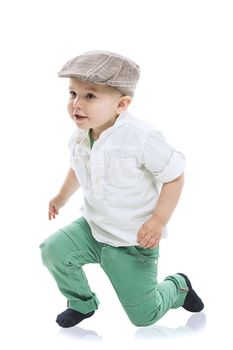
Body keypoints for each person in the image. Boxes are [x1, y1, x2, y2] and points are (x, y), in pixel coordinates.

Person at [40, 50, 204, 328]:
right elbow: (80, 168)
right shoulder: (81, 135)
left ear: (122, 104)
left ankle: (178, 287)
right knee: (52, 249)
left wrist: (158, 221)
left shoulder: (141, 138)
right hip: (93, 229)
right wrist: (62, 196)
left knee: (144, 317)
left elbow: (174, 177)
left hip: (132, 241)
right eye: (72, 94)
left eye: (90, 96)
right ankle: (82, 302)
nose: (76, 104)